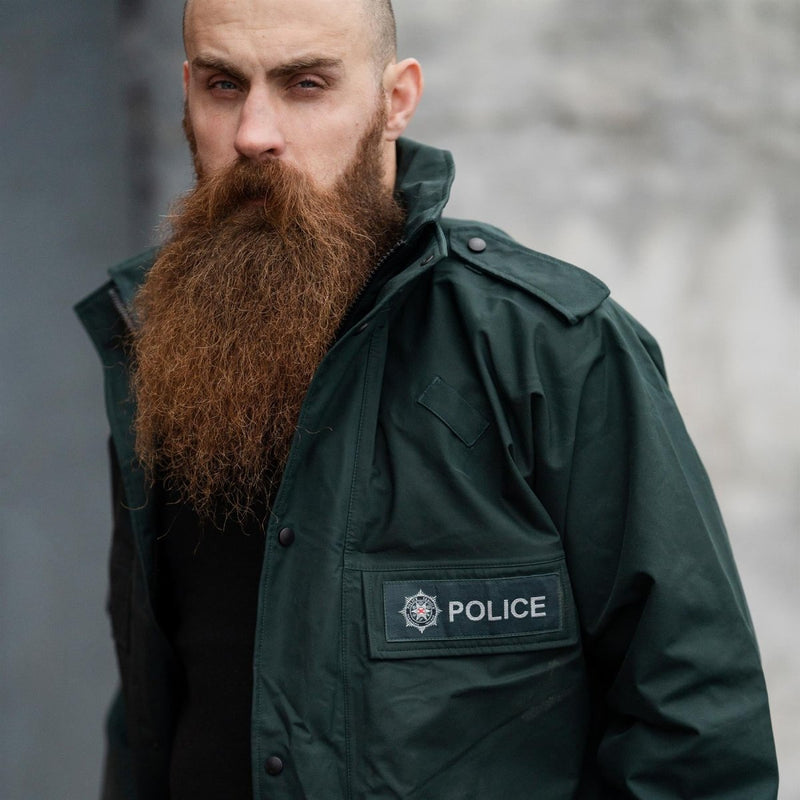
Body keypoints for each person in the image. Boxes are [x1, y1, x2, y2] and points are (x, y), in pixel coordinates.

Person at [76, 0, 779, 797]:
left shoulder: (551, 351)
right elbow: (152, 710)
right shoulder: (161, 350)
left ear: (397, 100)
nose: (254, 133)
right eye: (223, 85)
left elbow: (697, 731)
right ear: (186, 92)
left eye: (306, 84)